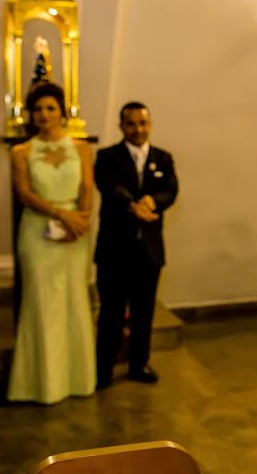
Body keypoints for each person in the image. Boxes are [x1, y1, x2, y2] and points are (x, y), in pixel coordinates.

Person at [7, 82, 96, 403]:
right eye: (38, 109)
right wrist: (63, 214)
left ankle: (78, 380)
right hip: (37, 232)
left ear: (62, 112)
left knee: (74, 300)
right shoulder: (21, 151)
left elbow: (87, 187)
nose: (44, 114)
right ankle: (41, 385)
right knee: (41, 304)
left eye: (50, 108)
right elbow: (24, 193)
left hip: (74, 234)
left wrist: (82, 219)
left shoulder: (82, 148)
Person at [94, 101, 178, 388]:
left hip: (149, 250)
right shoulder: (107, 157)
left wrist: (153, 202)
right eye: (131, 123)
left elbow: (171, 189)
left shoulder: (163, 158)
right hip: (114, 250)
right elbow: (109, 186)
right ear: (122, 127)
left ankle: (138, 363)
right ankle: (102, 368)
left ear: (149, 125)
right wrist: (132, 206)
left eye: (143, 123)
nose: (138, 129)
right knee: (112, 312)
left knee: (144, 311)